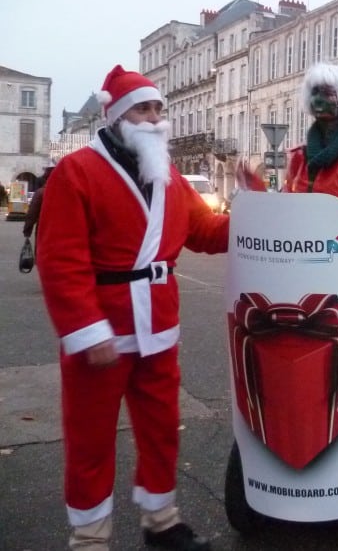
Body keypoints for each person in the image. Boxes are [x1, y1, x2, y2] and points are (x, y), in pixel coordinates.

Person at [36, 65, 228, 551]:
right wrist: (86, 329)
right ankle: (90, 539)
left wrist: (255, 209)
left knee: (162, 430)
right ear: (118, 116)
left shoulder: (168, 177)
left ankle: (161, 522)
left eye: (159, 109)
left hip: (158, 328)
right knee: (90, 441)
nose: (155, 117)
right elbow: (61, 260)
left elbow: (205, 232)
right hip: (103, 330)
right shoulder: (76, 172)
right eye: (143, 108)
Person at [241, 62, 338, 258]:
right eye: (315, 92)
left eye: (327, 93)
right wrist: (257, 188)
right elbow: (286, 208)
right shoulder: (300, 155)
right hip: (300, 255)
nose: (318, 99)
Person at [22, 167, 53, 256]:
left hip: (45, 230)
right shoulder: (68, 192)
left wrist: (27, 231)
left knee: (44, 256)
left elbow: (32, 214)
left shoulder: (41, 192)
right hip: (65, 234)